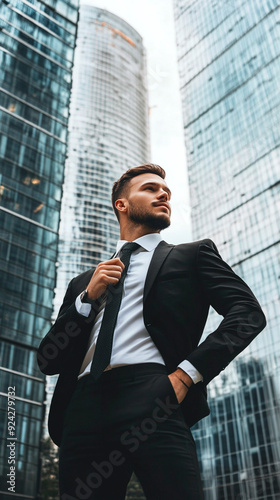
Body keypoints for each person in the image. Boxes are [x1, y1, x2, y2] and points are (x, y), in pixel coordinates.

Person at [37, 163, 266, 500]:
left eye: (166, 192)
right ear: (122, 204)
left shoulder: (191, 255)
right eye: (150, 188)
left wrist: (186, 376)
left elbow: (247, 313)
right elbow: (48, 359)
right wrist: (87, 298)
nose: (163, 194)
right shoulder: (83, 282)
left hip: (154, 394)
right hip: (83, 407)